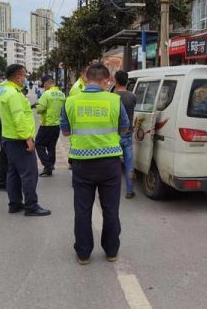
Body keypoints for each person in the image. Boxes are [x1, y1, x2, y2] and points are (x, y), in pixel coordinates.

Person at [61, 63, 129, 265]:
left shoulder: (71, 101)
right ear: (105, 80)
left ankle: (83, 254)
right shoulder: (115, 100)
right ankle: (111, 251)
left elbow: (65, 132)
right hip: (109, 164)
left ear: (86, 78)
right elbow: (124, 128)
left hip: (81, 164)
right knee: (111, 209)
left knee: (82, 210)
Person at [0, 64, 51, 216]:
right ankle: (31, 206)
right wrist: (27, 138)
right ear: (17, 76)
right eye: (24, 75)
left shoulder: (6, 90)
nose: (25, 78)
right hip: (19, 139)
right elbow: (19, 118)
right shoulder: (14, 94)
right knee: (30, 173)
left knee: (13, 172)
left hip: (9, 138)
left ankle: (14, 203)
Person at [35, 75, 66, 177]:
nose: (44, 87)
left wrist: (38, 105)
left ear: (46, 83)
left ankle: (47, 165)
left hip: (46, 124)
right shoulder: (62, 94)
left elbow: (40, 109)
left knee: (38, 144)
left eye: (44, 85)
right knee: (51, 146)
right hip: (57, 125)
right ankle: (51, 166)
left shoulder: (46, 94)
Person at [114, 70, 137, 199]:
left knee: (115, 164)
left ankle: (114, 190)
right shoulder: (132, 96)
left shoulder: (112, 97)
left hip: (114, 135)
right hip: (128, 134)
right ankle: (129, 191)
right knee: (129, 164)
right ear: (127, 81)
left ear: (115, 81)